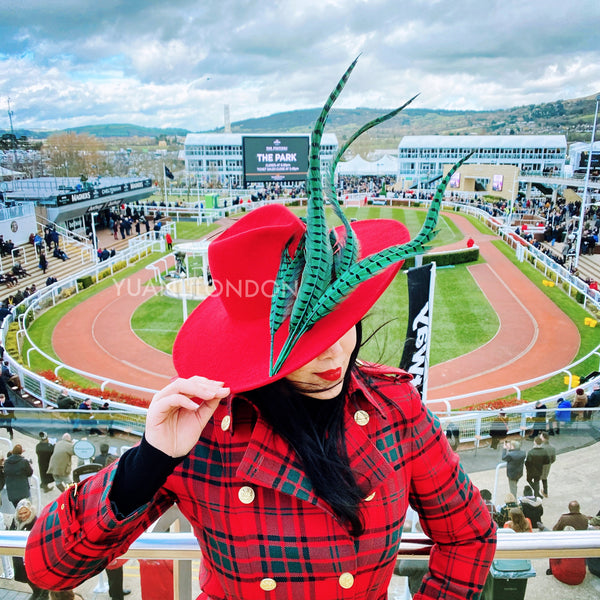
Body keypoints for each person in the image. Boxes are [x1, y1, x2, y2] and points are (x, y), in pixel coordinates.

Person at [25, 65, 496, 599]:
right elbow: (48, 569)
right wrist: (149, 461)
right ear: (258, 345)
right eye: (307, 339)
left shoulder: (396, 407)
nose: (336, 352)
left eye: (340, 325)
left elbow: (470, 535)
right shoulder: (201, 428)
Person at [10, 499, 49, 600]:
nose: (23, 516)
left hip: (32, 556)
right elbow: (10, 532)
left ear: (30, 511)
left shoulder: (36, 522)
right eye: (20, 513)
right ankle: (36, 592)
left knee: (37, 576)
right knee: (25, 576)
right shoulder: (15, 521)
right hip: (19, 555)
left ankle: (44, 593)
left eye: (25, 512)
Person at [3, 444, 33, 508]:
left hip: (12, 493)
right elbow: (30, 473)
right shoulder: (24, 462)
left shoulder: (6, 462)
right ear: (21, 452)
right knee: (26, 510)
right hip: (23, 492)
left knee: (18, 510)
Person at [539, 430, 556, 498]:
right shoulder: (552, 447)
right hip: (547, 466)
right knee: (544, 478)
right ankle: (545, 492)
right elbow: (553, 459)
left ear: (543, 437)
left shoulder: (541, 448)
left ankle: (537, 494)